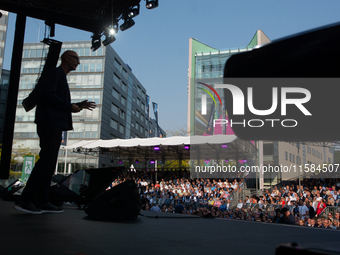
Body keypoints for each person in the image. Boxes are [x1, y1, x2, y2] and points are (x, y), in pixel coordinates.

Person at [14, 51, 96, 214]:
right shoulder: (54, 74)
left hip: (53, 123)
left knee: (50, 163)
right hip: (49, 122)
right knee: (46, 160)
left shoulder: (60, 76)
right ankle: (25, 199)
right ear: (66, 58)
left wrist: (77, 105)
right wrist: (69, 106)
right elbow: (48, 96)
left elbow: (57, 100)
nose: (78, 62)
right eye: (76, 59)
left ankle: (42, 200)